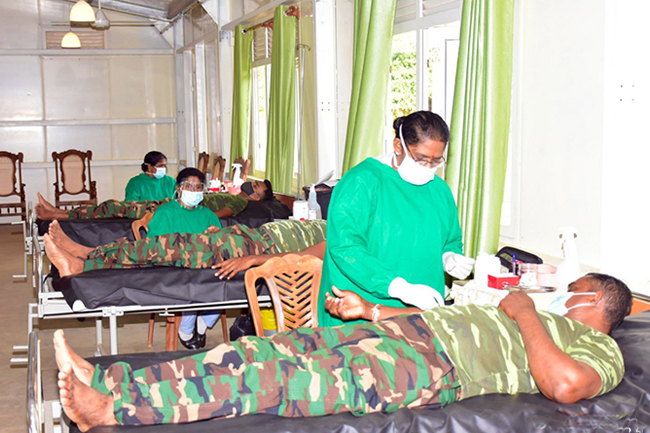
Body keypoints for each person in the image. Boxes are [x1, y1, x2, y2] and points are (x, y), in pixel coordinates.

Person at [53, 273, 631, 431]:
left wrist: (527, 311)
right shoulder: (545, 315)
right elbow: (443, 316)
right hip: (406, 333)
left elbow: (564, 385)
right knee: (253, 351)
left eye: (573, 289)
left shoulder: (598, 347)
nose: (563, 293)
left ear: (594, 301)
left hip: (428, 368)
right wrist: (374, 312)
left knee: (280, 381)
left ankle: (112, 412)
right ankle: (115, 381)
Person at [319, 111, 475, 327]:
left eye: (436, 161)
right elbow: (346, 248)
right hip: (361, 312)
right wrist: (398, 287)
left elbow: (450, 239)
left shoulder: (439, 190)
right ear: (398, 146)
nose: (428, 168)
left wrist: (450, 257)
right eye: (421, 159)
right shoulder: (362, 182)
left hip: (421, 315)